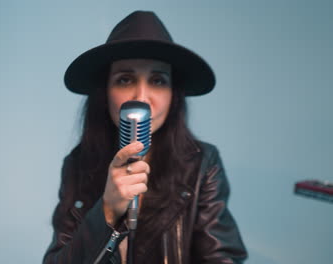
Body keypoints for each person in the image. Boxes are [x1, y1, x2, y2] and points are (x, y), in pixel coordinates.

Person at [43, 11, 247, 264]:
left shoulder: (202, 163)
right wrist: (106, 210)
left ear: (174, 96)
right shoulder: (77, 164)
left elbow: (222, 258)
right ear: (104, 91)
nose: (140, 97)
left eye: (158, 80)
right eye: (125, 79)